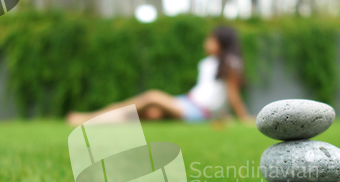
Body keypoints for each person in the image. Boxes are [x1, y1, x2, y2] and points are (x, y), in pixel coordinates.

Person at [66, 26, 252, 125]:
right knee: (150, 114)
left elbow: (232, 95)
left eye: (211, 38)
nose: (206, 42)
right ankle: (94, 123)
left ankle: (87, 119)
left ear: (222, 42)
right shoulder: (209, 63)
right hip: (187, 102)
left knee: (151, 97)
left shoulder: (231, 64)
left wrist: (244, 119)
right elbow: (213, 93)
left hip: (197, 112)